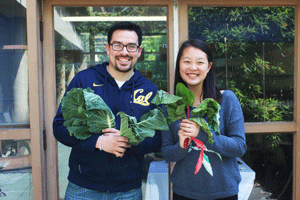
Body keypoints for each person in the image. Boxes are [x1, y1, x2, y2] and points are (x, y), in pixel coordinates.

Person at [53, 22, 162, 200]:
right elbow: (60, 128)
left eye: (131, 46)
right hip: (82, 188)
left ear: (139, 51)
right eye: (118, 45)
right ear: (108, 48)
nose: (124, 52)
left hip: (128, 191)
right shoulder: (84, 80)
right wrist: (99, 142)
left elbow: (158, 139)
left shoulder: (149, 90)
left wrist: (130, 141)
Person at [161, 39, 247, 200]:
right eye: (187, 61)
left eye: (200, 62)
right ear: (179, 65)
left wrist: (201, 133)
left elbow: (239, 147)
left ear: (208, 67)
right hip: (184, 193)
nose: (193, 68)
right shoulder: (170, 106)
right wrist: (181, 145)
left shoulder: (227, 100)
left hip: (224, 192)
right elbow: (167, 153)